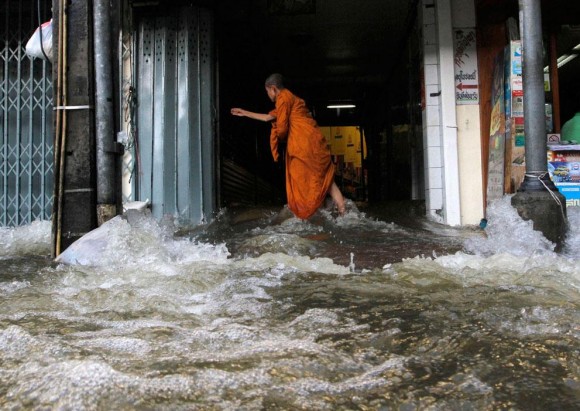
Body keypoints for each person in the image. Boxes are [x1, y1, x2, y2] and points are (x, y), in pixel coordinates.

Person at [231, 73, 346, 219]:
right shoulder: (291, 98)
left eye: (267, 92)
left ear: (273, 89)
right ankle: (344, 214)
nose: (267, 95)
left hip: (303, 146)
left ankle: (305, 215)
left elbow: (283, 128)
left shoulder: (283, 98)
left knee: (300, 180)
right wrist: (244, 112)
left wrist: (279, 137)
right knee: (326, 179)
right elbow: (268, 117)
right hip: (316, 143)